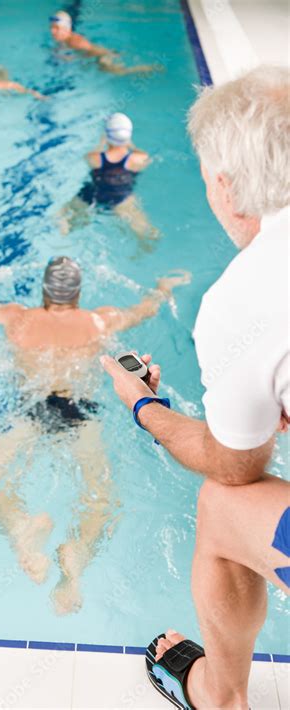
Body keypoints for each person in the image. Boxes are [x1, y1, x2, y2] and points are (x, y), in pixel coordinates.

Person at [101, 65, 289, 709]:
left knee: (221, 503)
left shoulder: (249, 294)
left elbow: (234, 466)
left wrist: (145, 407)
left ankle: (218, 696)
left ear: (226, 187)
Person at [0, 258, 190, 614]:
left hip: (31, 410)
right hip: (81, 414)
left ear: (45, 292)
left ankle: (20, 527)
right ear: (77, 294)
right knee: (101, 498)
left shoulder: (17, 318)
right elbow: (145, 308)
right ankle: (75, 565)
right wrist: (164, 287)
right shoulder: (100, 320)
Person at [59, 113, 158, 240]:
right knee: (147, 233)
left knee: (63, 217)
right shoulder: (139, 159)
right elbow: (144, 158)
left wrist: (102, 143)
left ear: (106, 136)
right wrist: (129, 144)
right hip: (119, 198)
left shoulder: (94, 158)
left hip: (91, 195)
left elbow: (92, 154)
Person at [49, 11, 162, 76]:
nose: (52, 31)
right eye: (52, 27)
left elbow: (92, 51)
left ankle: (147, 68)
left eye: (56, 28)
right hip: (95, 57)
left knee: (121, 72)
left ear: (67, 29)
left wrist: (71, 58)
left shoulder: (76, 41)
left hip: (102, 57)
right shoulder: (64, 40)